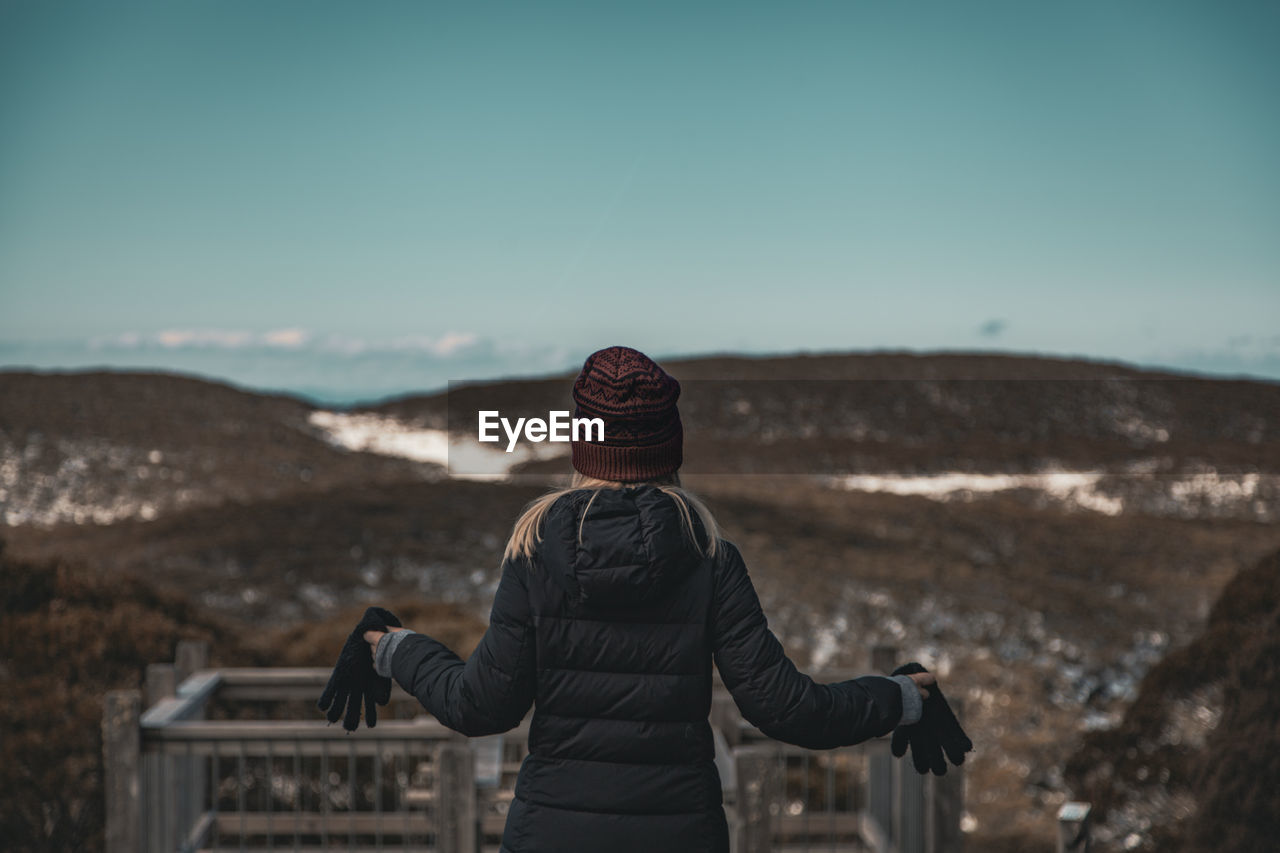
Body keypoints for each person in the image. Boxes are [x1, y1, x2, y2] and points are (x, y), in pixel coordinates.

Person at [363, 345, 937, 853]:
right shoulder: (709, 556)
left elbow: (479, 706)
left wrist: (394, 649)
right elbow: (790, 711)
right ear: (670, 446)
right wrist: (902, 697)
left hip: (552, 835)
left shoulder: (535, 551)